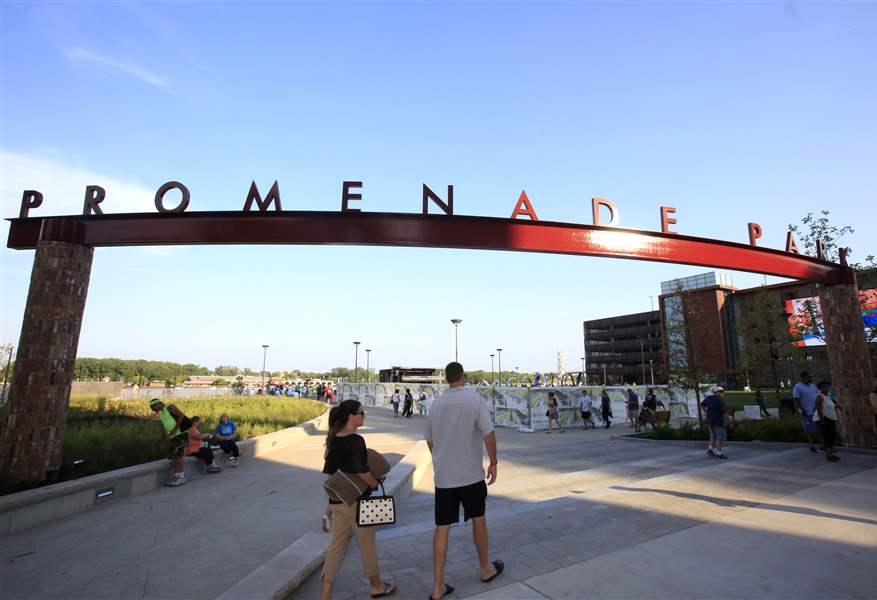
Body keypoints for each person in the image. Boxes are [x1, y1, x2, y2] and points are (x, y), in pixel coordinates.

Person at [425, 363, 503, 600]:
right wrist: (493, 462)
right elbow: (489, 433)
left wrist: (440, 459)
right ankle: (484, 568)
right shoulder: (474, 400)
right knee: (478, 519)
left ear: (446, 379)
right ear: (464, 377)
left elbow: (429, 440)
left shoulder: (436, 405)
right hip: (470, 475)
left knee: (442, 526)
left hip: (444, 478)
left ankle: (438, 586)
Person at [321, 400, 395, 600]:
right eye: (362, 413)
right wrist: (374, 482)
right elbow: (362, 472)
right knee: (367, 544)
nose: (364, 416)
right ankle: (377, 586)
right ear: (351, 416)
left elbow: (332, 474)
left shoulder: (333, 439)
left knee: (337, 547)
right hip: (358, 503)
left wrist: (329, 503)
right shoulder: (355, 441)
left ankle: (326, 594)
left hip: (338, 502)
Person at [149, 398, 191, 487]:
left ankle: (181, 477)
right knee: (173, 457)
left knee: (178, 455)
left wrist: (175, 429)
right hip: (172, 437)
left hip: (180, 434)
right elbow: (166, 428)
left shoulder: (170, 407)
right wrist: (164, 441)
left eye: (154, 408)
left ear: (158, 404)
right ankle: (177, 476)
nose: (154, 411)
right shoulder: (162, 414)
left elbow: (181, 415)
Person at [793, 371, 822, 453]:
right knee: (809, 430)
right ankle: (812, 445)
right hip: (806, 411)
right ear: (803, 377)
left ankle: (822, 445)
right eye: (809, 377)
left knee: (819, 428)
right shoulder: (797, 387)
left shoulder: (813, 386)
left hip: (816, 410)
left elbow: (817, 396)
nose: (810, 378)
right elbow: (796, 399)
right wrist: (800, 410)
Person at [814, 381, 840, 462]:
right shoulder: (819, 396)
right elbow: (818, 408)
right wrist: (822, 420)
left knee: (833, 436)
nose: (826, 388)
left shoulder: (827, 396)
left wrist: (838, 406)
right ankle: (828, 455)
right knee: (828, 437)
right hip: (825, 419)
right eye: (823, 387)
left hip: (831, 418)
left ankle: (830, 452)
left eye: (826, 386)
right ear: (820, 388)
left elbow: (831, 404)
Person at [701, 386, 728, 459]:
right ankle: (719, 453)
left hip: (710, 420)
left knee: (713, 436)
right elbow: (724, 413)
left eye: (722, 391)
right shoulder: (720, 401)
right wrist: (726, 421)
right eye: (721, 391)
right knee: (720, 437)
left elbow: (702, 405)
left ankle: (710, 449)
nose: (722, 393)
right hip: (718, 421)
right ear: (716, 392)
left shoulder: (709, 398)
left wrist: (706, 412)